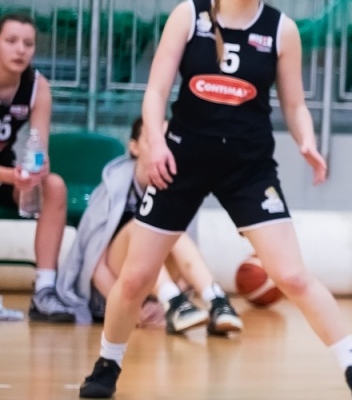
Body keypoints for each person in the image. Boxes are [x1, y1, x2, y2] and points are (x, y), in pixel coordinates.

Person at [77, 0, 352, 400]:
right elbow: (155, 93)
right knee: (136, 277)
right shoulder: (188, 16)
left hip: (249, 166)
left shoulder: (281, 30)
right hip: (182, 158)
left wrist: (307, 141)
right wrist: (155, 144)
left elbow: (295, 104)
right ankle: (108, 363)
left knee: (292, 275)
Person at [57, 118, 243, 335]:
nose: (163, 148)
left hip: (158, 293)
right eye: (155, 141)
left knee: (172, 230)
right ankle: (173, 302)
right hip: (115, 289)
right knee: (145, 226)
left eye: (169, 142)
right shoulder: (114, 185)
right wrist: (130, 309)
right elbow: (94, 266)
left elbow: (187, 264)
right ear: (134, 147)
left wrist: (159, 304)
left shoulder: (181, 186)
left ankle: (216, 301)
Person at [0, 12, 74, 322]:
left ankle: (44, 290)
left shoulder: (37, 86)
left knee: (54, 186)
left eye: (28, 43)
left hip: (8, 174)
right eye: (11, 41)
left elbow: (38, 144)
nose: (21, 50)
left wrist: (33, 172)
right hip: (5, 175)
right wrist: (10, 177)